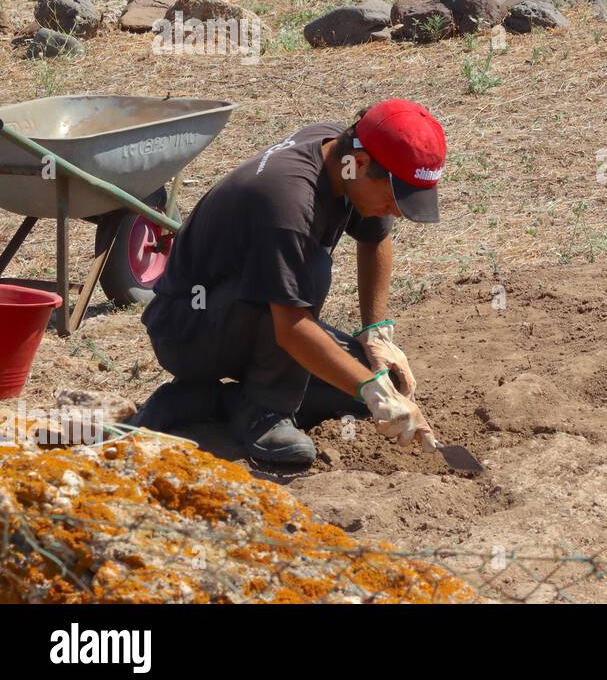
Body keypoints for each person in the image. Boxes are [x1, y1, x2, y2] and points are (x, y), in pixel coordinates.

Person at [131, 98, 448, 466]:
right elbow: (292, 328)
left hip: (247, 314)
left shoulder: (345, 152)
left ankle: (201, 402)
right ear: (359, 164)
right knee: (313, 273)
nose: (396, 211)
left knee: (380, 382)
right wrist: (370, 391)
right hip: (189, 328)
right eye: (394, 198)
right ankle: (265, 412)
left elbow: (376, 237)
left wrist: (376, 333)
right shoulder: (288, 202)